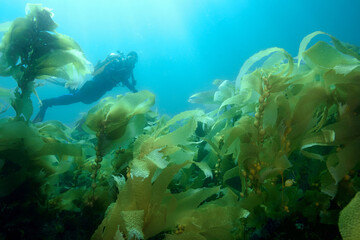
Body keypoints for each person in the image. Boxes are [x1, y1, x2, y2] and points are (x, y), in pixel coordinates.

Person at [33, 51, 138, 122]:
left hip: (101, 89)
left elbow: (125, 81)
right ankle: (47, 103)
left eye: (134, 60)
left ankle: (70, 87)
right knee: (77, 97)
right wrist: (118, 76)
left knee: (85, 100)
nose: (132, 61)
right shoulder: (117, 62)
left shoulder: (128, 71)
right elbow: (105, 72)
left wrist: (133, 88)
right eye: (131, 58)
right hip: (94, 84)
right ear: (127, 57)